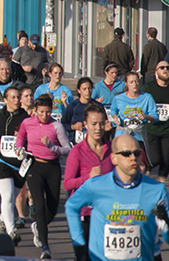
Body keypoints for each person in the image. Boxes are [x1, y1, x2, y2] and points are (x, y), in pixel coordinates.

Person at [66, 134, 169, 261]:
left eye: (137, 153)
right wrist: (79, 244)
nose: (133, 158)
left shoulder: (156, 190)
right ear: (114, 159)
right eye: (126, 154)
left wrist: (167, 224)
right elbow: (71, 207)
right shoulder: (95, 186)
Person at [15, 94, 72, 259]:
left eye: (48, 112)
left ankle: (38, 226)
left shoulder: (57, 126)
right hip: (34, 166)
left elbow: (67, 149)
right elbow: (20, 138)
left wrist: (52, 147)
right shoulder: (27, 123)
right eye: (41, 112)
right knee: (38, 206)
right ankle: (45, 248)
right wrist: (19, 149)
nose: (45, 115)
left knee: (52, 208)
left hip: (52, 167)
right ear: (35, 110)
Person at [63, 104, 113, 260]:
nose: (98, 128)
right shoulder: (77, 151)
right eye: (93, 124)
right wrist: (87, 177)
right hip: (83, 214)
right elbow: (68, 184)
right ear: (85, 124)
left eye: (101, 123)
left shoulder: (112, 149)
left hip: (107, 214)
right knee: (83, 257)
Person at [0, 87, 29, 245]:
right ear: (5, 100)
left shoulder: (26, 119)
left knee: (11, 197)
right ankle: (11, 231)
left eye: (18, 97)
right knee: (7, 195)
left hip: (19, 164)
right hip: (0, 160)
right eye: (13, 97)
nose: (17, 100)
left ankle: (2, 218)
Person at [110, 71, 157, 160]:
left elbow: (155, 116)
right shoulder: (119, 98)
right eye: (131, 82)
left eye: (136, 81)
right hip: (123, 133)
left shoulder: (147, 97)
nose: (134, 84)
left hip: (138, 135)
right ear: (126, 84)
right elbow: (113, 110)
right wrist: (115, 117)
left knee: (139, 163)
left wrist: (146, 116)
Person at [62, 77, 108, 144]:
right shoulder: (73, 106)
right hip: (76, 143)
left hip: (94, 143)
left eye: (89, 88)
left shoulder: (98, 106)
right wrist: (73, 127)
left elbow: (105, 122)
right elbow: (63, 124)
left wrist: (106, 126)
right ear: (79, 90)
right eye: (84, 89)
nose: (87, 91)